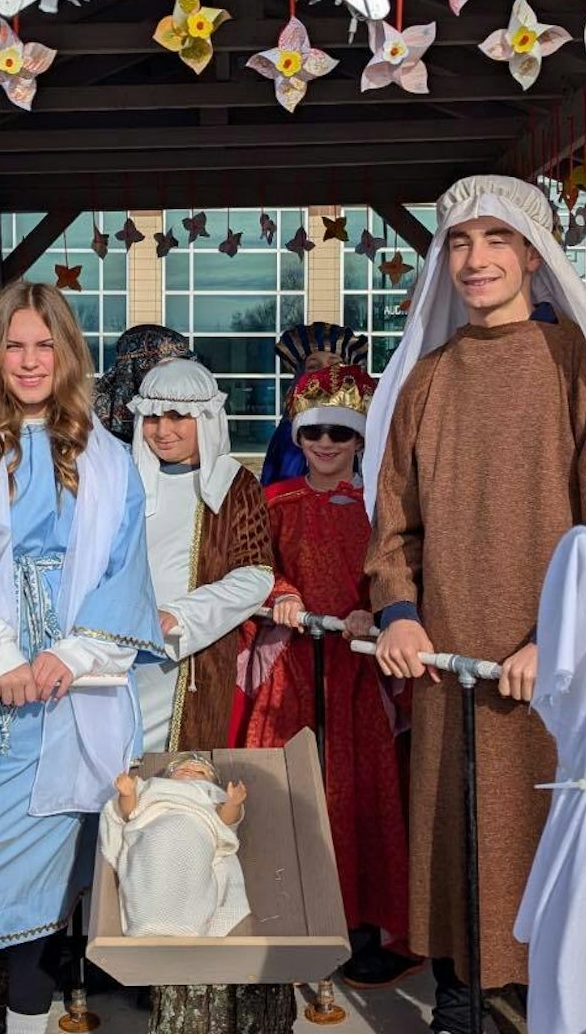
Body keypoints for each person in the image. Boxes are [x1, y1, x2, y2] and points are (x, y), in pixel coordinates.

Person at [364, 174, 586, 1032]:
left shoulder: (577, 369)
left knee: (542, 856)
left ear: (534, 254)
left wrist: (556, 639)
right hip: (446, 667)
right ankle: (459, 1004)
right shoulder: (426, 380)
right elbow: (393, 529)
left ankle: (541, 1006)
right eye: (460, 242)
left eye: (496, 240)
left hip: (551, 677)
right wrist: (401, 612)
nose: (476, 258)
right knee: (457, 855)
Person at [0, 281, 162, 1034]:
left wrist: (73, 655)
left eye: (45, 345)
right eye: (14, 345)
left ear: (68, 353)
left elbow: (126, 568)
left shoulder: (110, 458)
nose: (29, 360)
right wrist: (2, 654)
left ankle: (23, 1023)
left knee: (46, 892)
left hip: (73, 697)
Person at [242, 364, 414, 987]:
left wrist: (379, 609)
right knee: (282, 786)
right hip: (289, 670)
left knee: (361, 789)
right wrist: (282, 592)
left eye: (340, 434)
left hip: (356, 672)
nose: (324, 445)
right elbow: (251, 565)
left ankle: (359, 920)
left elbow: (398, 570)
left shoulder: (379, 509)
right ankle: (284, 914)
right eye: (313, 432)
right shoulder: (273, 503)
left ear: (360, 440)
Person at [126, 356, 274, 756]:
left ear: (205, 420)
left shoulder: (234, 485)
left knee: (177, 786)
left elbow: (256, 575)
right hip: (118, 658)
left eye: (178, 417)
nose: (163, 430)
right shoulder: (122, 478)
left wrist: (182, 616)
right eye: (153, 418)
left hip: (189, 666)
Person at [100, 754, 249, 938]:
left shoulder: (210, 794)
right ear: (169, 776)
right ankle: (144, 920)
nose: (191, 770)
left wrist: (232, 804)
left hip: (196, 835)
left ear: (211, 782)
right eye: (183, 768)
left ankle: (188, 923)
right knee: (149, 869)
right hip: (152, 833)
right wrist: (127, 794)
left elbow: (225, 822)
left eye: (200, 772)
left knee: (193, 874)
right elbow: (130, 811)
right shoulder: (153, 787)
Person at [260, 323, 368, 485]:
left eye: (334, 365)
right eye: (313, 366)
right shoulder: (287, 434)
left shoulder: (368, 430)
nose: (324, 372)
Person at [92, 324, 194, 444]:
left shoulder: (187, 400)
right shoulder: (88, 414)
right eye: (167, 365)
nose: (176, 374)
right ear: (140, 364)